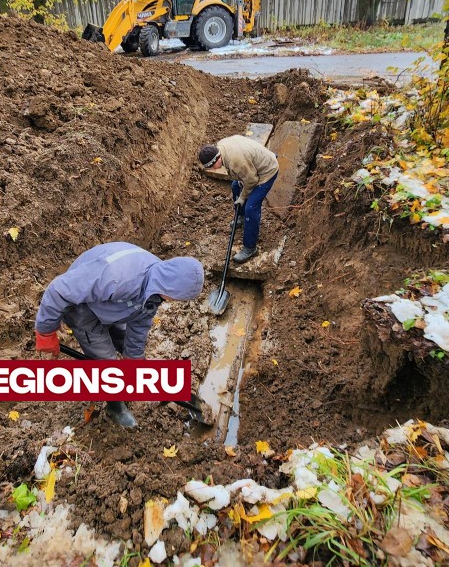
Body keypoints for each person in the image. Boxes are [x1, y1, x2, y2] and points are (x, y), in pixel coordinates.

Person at [34, 242, 205, 428]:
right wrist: (46, 331)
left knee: (125, 343)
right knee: (107, 363)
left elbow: (140, 321)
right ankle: (115, 407)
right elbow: (58, 290)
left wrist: (133, 358)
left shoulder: (156, 284)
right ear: (171, 288)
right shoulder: (116, 277)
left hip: (112, 304)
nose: (176, 301)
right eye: (178, 297)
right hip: (82, 309)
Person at [198, 136, 278, 264]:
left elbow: (252, 181)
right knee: (235, 185)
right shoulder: (221, 146)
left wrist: (242, 197)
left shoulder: (236, 162)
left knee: (251, 208)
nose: (213, 170)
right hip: (253, 164)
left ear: (217, 158)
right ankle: (240, 217)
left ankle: (250, 248)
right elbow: (243, 176)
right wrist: (241, 181)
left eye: (212, 166)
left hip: (266, 172)